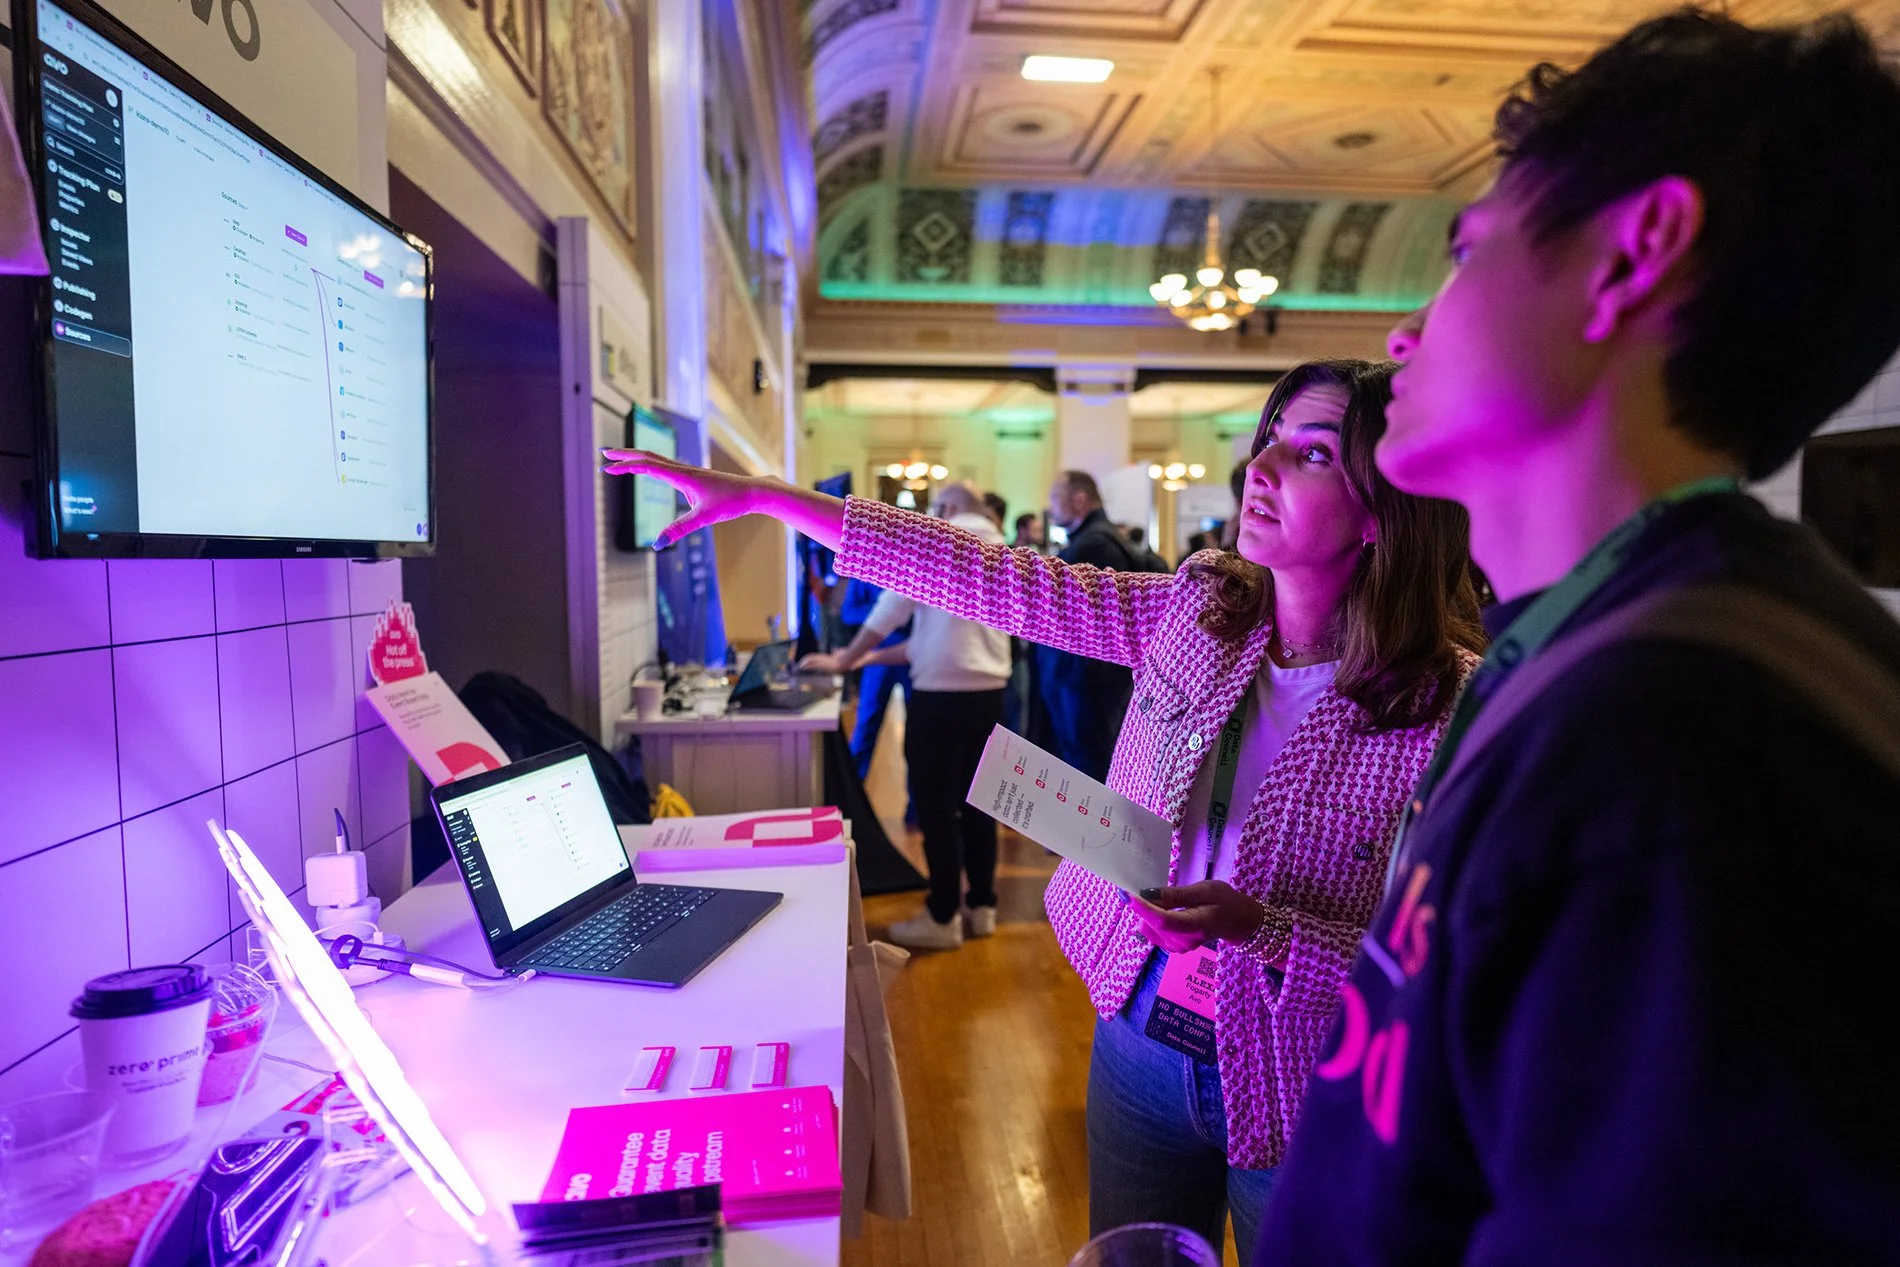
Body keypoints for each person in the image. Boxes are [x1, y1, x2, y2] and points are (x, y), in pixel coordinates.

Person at [1255, 12, 1900, 1265]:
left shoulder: (1687, 752)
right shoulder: (1581, 655)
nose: (1398, 340)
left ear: (1631, 252)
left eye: (1465, 250)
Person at [603, 358, 1484, 1260]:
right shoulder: (1203, 614)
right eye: (1270, 439)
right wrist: (770, 499)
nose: (1260, 468)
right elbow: (1000, 581)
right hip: (1141, 1036)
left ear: (1386, 505)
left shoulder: (1447, 706)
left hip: (1309, 1079)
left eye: (1313, 454)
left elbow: (1448, 965)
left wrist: (1262, 928)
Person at [797, 482, 1012, 950]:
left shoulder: (941, 543)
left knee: (935, 808)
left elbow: (890, 609)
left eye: (936, 507)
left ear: (950, 509)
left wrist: (847, 656)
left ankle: (942, 916)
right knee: (981, 805)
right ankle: (982, 907)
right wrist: (858, 661)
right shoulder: (1004, 553)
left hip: (939, 701)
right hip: (991, 697)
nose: (930, 515)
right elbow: (929, 644)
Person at [1040, 471, 1141, 781]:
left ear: (1079, 498)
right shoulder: (1099, 538)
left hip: (1087, 684)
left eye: (1055, 497)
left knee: (1087, 771)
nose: (1050, 506)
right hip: (1087, 683)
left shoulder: (1095, 544)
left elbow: (1085, 622)